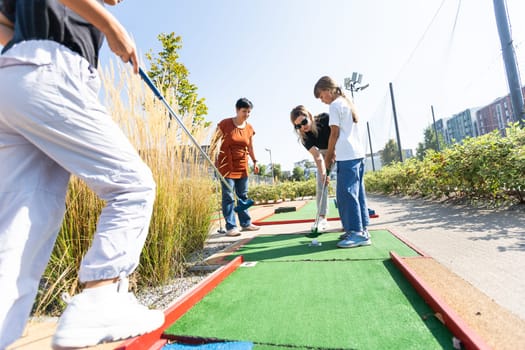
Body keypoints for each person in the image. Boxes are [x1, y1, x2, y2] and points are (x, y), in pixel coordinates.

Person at [0, 1, 165, 349]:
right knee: (132, 186)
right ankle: (100, 298)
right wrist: (111, 26)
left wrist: (23, 47)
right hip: (53, 70)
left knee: (23, 221)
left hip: (13, 78)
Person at [313, 76, 371, 248]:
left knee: (346, 194)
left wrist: (329, 156)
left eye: (321, 96)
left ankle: (356, 233)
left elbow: (334, 134)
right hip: (357, 154)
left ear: (328, 90)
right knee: (357, 193)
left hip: (348, 155)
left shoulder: (335, 105)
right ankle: (361, 229)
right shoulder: (346, 102)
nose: (322, 100)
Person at [212, 98, 260, 237]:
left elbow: (250, 146)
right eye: (244, 111)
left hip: (242, 165)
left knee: (242, 195)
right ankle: (231, 227)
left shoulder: (249, 128)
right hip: (226, 165)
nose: (246, 114)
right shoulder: (225, 124)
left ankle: (245, 223)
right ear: (237, 110)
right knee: (228, 196)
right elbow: (214, 143)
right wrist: (214, 161)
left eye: (249, 112)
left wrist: (255, 161)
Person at [290, 105, 331, 232]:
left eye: (304, 122)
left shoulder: (325, 119)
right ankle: (322, 219)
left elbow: (336, 135)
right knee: (321, 182)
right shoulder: (304, 137)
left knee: (343, 181)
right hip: (323, 153)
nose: (303, 127)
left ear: (310, 116)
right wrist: (324, 173)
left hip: (338, 147)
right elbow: (317, 156)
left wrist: (332, 156)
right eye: (298, 126)